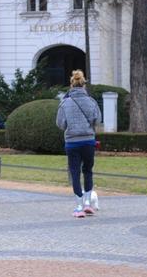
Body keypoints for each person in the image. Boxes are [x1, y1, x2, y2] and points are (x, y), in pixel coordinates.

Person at [56, 70, 101, 218]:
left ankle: (79, 206)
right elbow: (97, 120)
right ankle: (88, 203)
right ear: (83, 84)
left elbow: (60, 124)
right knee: (88, 171)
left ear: (71, 84)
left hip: (72, 142)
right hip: (88, 141)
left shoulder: (65, 103)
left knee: (75, 173)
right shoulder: (91, 101)